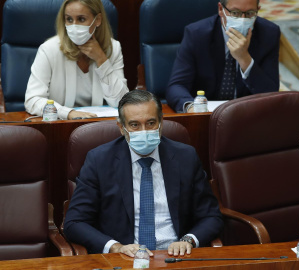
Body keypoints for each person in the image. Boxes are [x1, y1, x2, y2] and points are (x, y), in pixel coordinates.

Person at [64, 90, 223, 257]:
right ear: (121, 127)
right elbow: (75, 223)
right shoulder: (99, 161)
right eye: (134, 125)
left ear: (161, 122)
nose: (144, 131)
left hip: (176, 257)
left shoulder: (185, 157)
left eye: (151, 123)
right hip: (125, 258)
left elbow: (211, 216)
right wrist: (116, 247)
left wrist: (188, 240)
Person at [166, 0, 280, 113]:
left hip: (247, 116)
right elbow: (176, 86)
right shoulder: (197, 34)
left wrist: (245, 59)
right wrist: (191, 108)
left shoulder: (269, 34)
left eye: (250, 13)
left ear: (258, 10)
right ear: (221, 9)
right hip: (206, 114)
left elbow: (271, 94)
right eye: (235, 13)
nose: (243, 19)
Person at [24, 0, 129, 120]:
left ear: (98, 20)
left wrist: (101, 59)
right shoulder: (49, 49)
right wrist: (68, 113)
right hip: (61, 125)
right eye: (69, 19)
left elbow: (122, 102)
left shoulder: (113, 48)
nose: (74, 26)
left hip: (97, 125)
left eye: (81, 19)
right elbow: (32, 100)